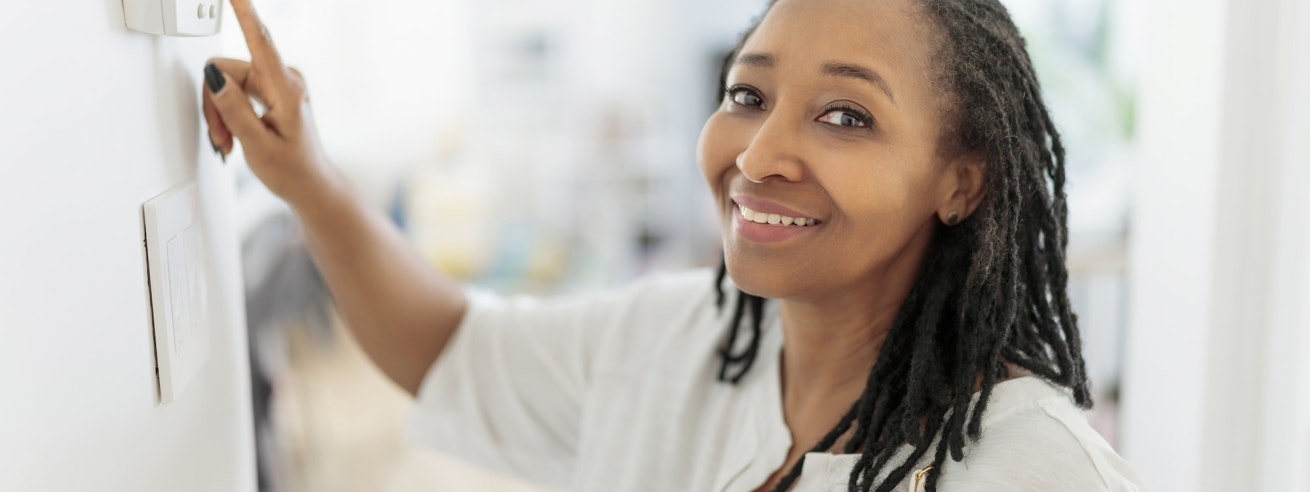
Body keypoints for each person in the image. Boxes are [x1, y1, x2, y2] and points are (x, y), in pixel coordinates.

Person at [202, 0, 1148, 490]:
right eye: (748, 95)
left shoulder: (1038, 471)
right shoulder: (672, 341)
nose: (762, 152)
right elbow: (450, 349)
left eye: (846, 115)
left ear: (962, 179)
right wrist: (308, 179)